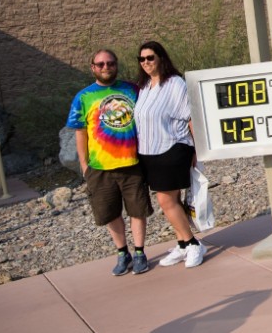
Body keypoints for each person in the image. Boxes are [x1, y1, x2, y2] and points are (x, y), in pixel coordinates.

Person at [67, 49, 153, 276]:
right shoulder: (83, 97)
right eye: (101, 64)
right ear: (93, 67)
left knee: (137, 210)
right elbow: (80, 133)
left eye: (110, 63)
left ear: (116, 65)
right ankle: (122, 252)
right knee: (110, 213)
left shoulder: (133, 90)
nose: (106, 67)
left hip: (132, 163)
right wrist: (84, 166)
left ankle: (140, 252)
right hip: (100, 168)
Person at [133, 41, 207, 268]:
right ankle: (183, 244)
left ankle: (194, 244)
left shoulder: (175, 84)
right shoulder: (145, 87)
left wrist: (197, 149)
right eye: (142, 59)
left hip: (172, 147)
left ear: (161, 58)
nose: (146, 62)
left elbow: (190, 116)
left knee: (165, 201)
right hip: (149, 152)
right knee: (171, 201)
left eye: (150, 58)